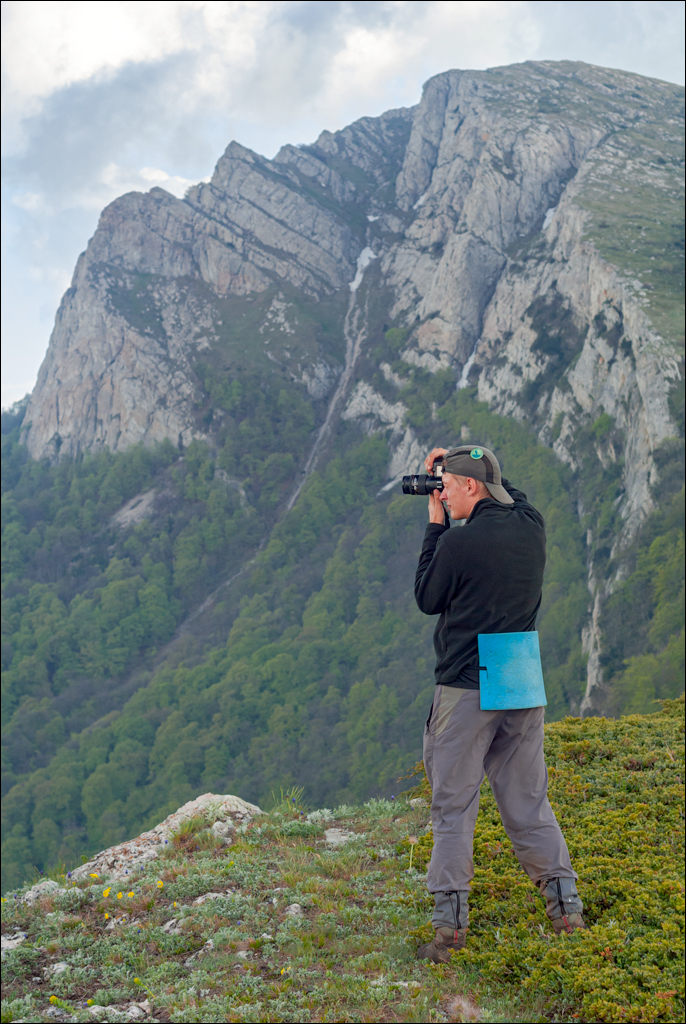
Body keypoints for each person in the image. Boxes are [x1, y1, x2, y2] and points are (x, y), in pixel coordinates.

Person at [414, 444, 585, 964]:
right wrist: (471, 467)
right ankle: (566, 910)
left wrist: (436, 526)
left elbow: (426, 598)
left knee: (454, 806)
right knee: (528, 798)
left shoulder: (458, 546)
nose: (442, 491)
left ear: (470, 487)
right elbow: (513, 496)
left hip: (467, 687)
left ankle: (449, 930)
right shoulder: (531, 525)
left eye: (447, 484)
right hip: (518, 675)